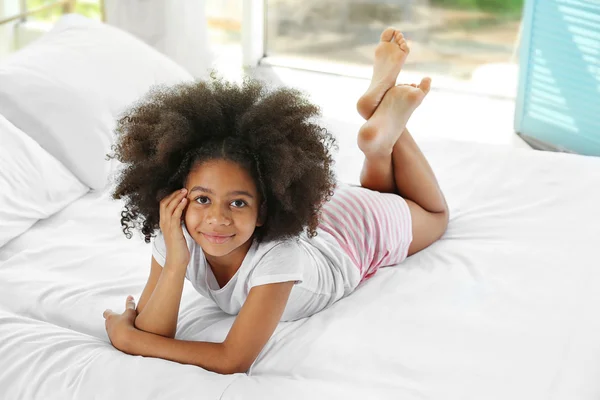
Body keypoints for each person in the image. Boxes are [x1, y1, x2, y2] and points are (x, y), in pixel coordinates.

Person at [102, 28, 449, 375]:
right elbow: (156, 332)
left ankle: (388, 130)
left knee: (435, 214)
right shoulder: (175, 234)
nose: (216, 218)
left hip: (352, 234)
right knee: (382, 193)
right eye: (203, 199)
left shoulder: (279, 257)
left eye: (237, 203)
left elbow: (231, 359)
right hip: (325, 215)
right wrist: (176, 261)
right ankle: (377, 144)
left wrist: (126, 338)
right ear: (177, 197)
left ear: (264, 209)